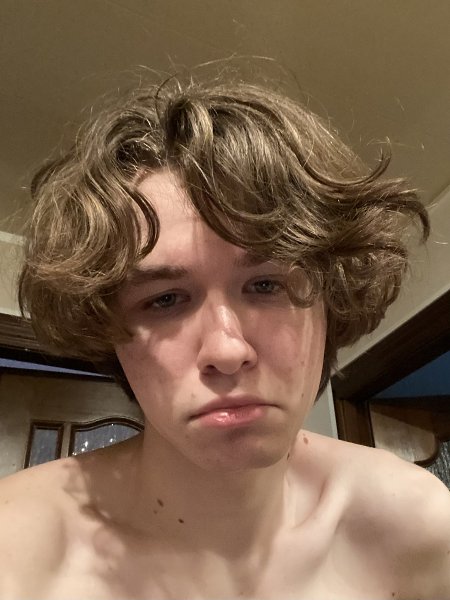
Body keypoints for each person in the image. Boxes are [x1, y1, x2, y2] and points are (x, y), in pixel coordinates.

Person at [1, 75, 449, 599]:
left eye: (266, 285)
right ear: (109, 334)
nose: (227, 350)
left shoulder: (417, 526)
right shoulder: (19, 557)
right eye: (165, 300)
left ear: (332, 302)